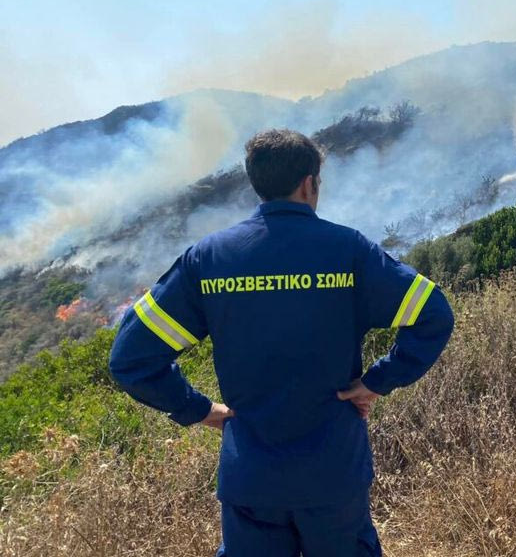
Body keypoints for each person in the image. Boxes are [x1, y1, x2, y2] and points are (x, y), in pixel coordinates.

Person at [109, 129, 455, 557]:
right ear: (310, 183)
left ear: (257, 184)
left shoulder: (209, 259)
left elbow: (131, 360)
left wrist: (201, 410)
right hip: (334, 476)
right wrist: (378, 380)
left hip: (251, 480)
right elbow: (434, 314)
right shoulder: (348, 251)